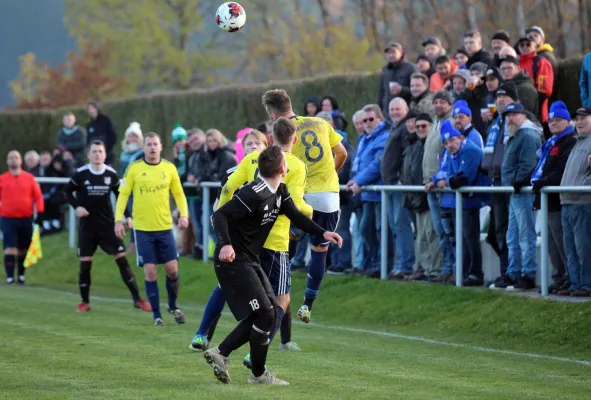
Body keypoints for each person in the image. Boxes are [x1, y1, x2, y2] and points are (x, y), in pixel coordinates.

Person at [203, 146, 342, 385]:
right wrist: (226, 244)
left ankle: (224, 353)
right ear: (283, 169)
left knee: (269, 311)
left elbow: (296, 217)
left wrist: (324, 232)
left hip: (249, 259)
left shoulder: (280, 191)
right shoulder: (254, 193)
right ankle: (255, 373)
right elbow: (220, 216)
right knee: (266, 312)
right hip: (234, 260)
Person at [261, 89, 348, 324]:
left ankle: (276, 296)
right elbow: (341, 152)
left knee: (286, 245)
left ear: (273, 114)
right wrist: (332, 174)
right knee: (320, 249)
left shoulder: (284, 132)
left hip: (299, 197)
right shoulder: (319, 122)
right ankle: (307, 305)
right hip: (327, 195)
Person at [190, 129, 269, 351]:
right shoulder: (233, 172)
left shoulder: (273, 174)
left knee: (270, 294)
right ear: (241, 149)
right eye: (249, 144)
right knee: (224, 284)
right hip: (237, 238)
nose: (253, 147)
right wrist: (224, 236)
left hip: (265, 240)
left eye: (257, 143)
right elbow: (219, 206)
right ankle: (202, 334)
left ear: (266, 147)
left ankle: (274, 342)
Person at [65, 141, 151, 312]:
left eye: (100, 151)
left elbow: (121, 195)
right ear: (89, 155)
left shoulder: (111, 174)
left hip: (107, 226)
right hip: (87, 228)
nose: (97, 154)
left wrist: (127, 216)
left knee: (122, 259)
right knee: (85, 263)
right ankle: (84, 302)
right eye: (94, 151)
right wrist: (77, 207)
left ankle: (138, 299)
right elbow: (67, 191)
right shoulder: (81, 174)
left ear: (105, 155)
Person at [114, 133, 190, 326]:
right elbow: (123, 195)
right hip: (142, 230)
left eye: (155, 144)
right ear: (144, 147)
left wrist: (184, 215)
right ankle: (157, 314)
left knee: (172, 270)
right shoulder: (134, 169)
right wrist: (118, 220)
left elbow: (179, 194)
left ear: (161, 146)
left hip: (164, 227)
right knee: (150, 272)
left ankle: (173, 305)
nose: (152, 147)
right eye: (148, 144)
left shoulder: (169, 168)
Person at [0, 151, 44, 285]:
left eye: (16, 157)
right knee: (10, 248)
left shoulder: (29, 178)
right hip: (8, 218)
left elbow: (38, 196)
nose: (13, 160)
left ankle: (20, 275)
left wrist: (40, 213)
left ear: (21, 161)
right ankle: (9, 277)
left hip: (26, 218)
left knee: (23, 248)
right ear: (7, 161)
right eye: (11, 158)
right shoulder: (2, 179)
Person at [86, 101, 117, 165]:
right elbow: (88, 141)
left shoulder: (106, 120)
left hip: (108, 155)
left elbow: (113, 136)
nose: (91, 111)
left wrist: (105, 150)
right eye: (89, 109)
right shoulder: (90, 125)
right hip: (94, 158)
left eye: (92, 108)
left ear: (97, 109)